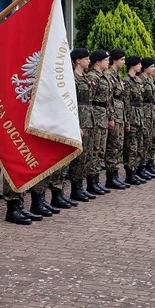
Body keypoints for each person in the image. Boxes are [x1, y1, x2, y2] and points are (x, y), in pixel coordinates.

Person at [67, 48, 96, 202]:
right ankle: (74, 189)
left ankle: (79, 187)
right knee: (77, 157)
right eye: (86, 58)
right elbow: (71, 102)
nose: (89, 61)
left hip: (88, 119)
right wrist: (75, 124)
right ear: (78, 60)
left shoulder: (84, 77)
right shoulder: (72, 78)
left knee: (86, 155)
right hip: (78, 120)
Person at [83, 49, 113, 194]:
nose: (108, 62)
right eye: (106, 60)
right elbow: (89, 100)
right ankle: (90, 182)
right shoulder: (92, 77)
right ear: (98, 62)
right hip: (95, 117)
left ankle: (95, 181)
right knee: (93, 150)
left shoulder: (103, 76)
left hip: (103, 116)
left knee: (100, 150)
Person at [102, 49, 130, 190]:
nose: (124, 62)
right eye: (122, 59)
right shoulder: (108, 75)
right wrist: (111, 117)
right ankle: (110, 177)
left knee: (117, 145)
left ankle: (114, 176)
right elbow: (109, 99)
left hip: (119, 113)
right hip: (112, 113)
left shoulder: (117, 75)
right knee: (112, 146)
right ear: (115, 60)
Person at [122, 56, 148, 185]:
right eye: (138, 64)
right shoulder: (126, 81)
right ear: (133, 65)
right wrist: (126, 120)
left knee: (138, 144)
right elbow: (126, 102)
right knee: (131, 146)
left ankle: (136, 170)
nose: (140, 67)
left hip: (139, 115)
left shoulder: (137, 80)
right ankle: (130, 173)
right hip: (131, 114)